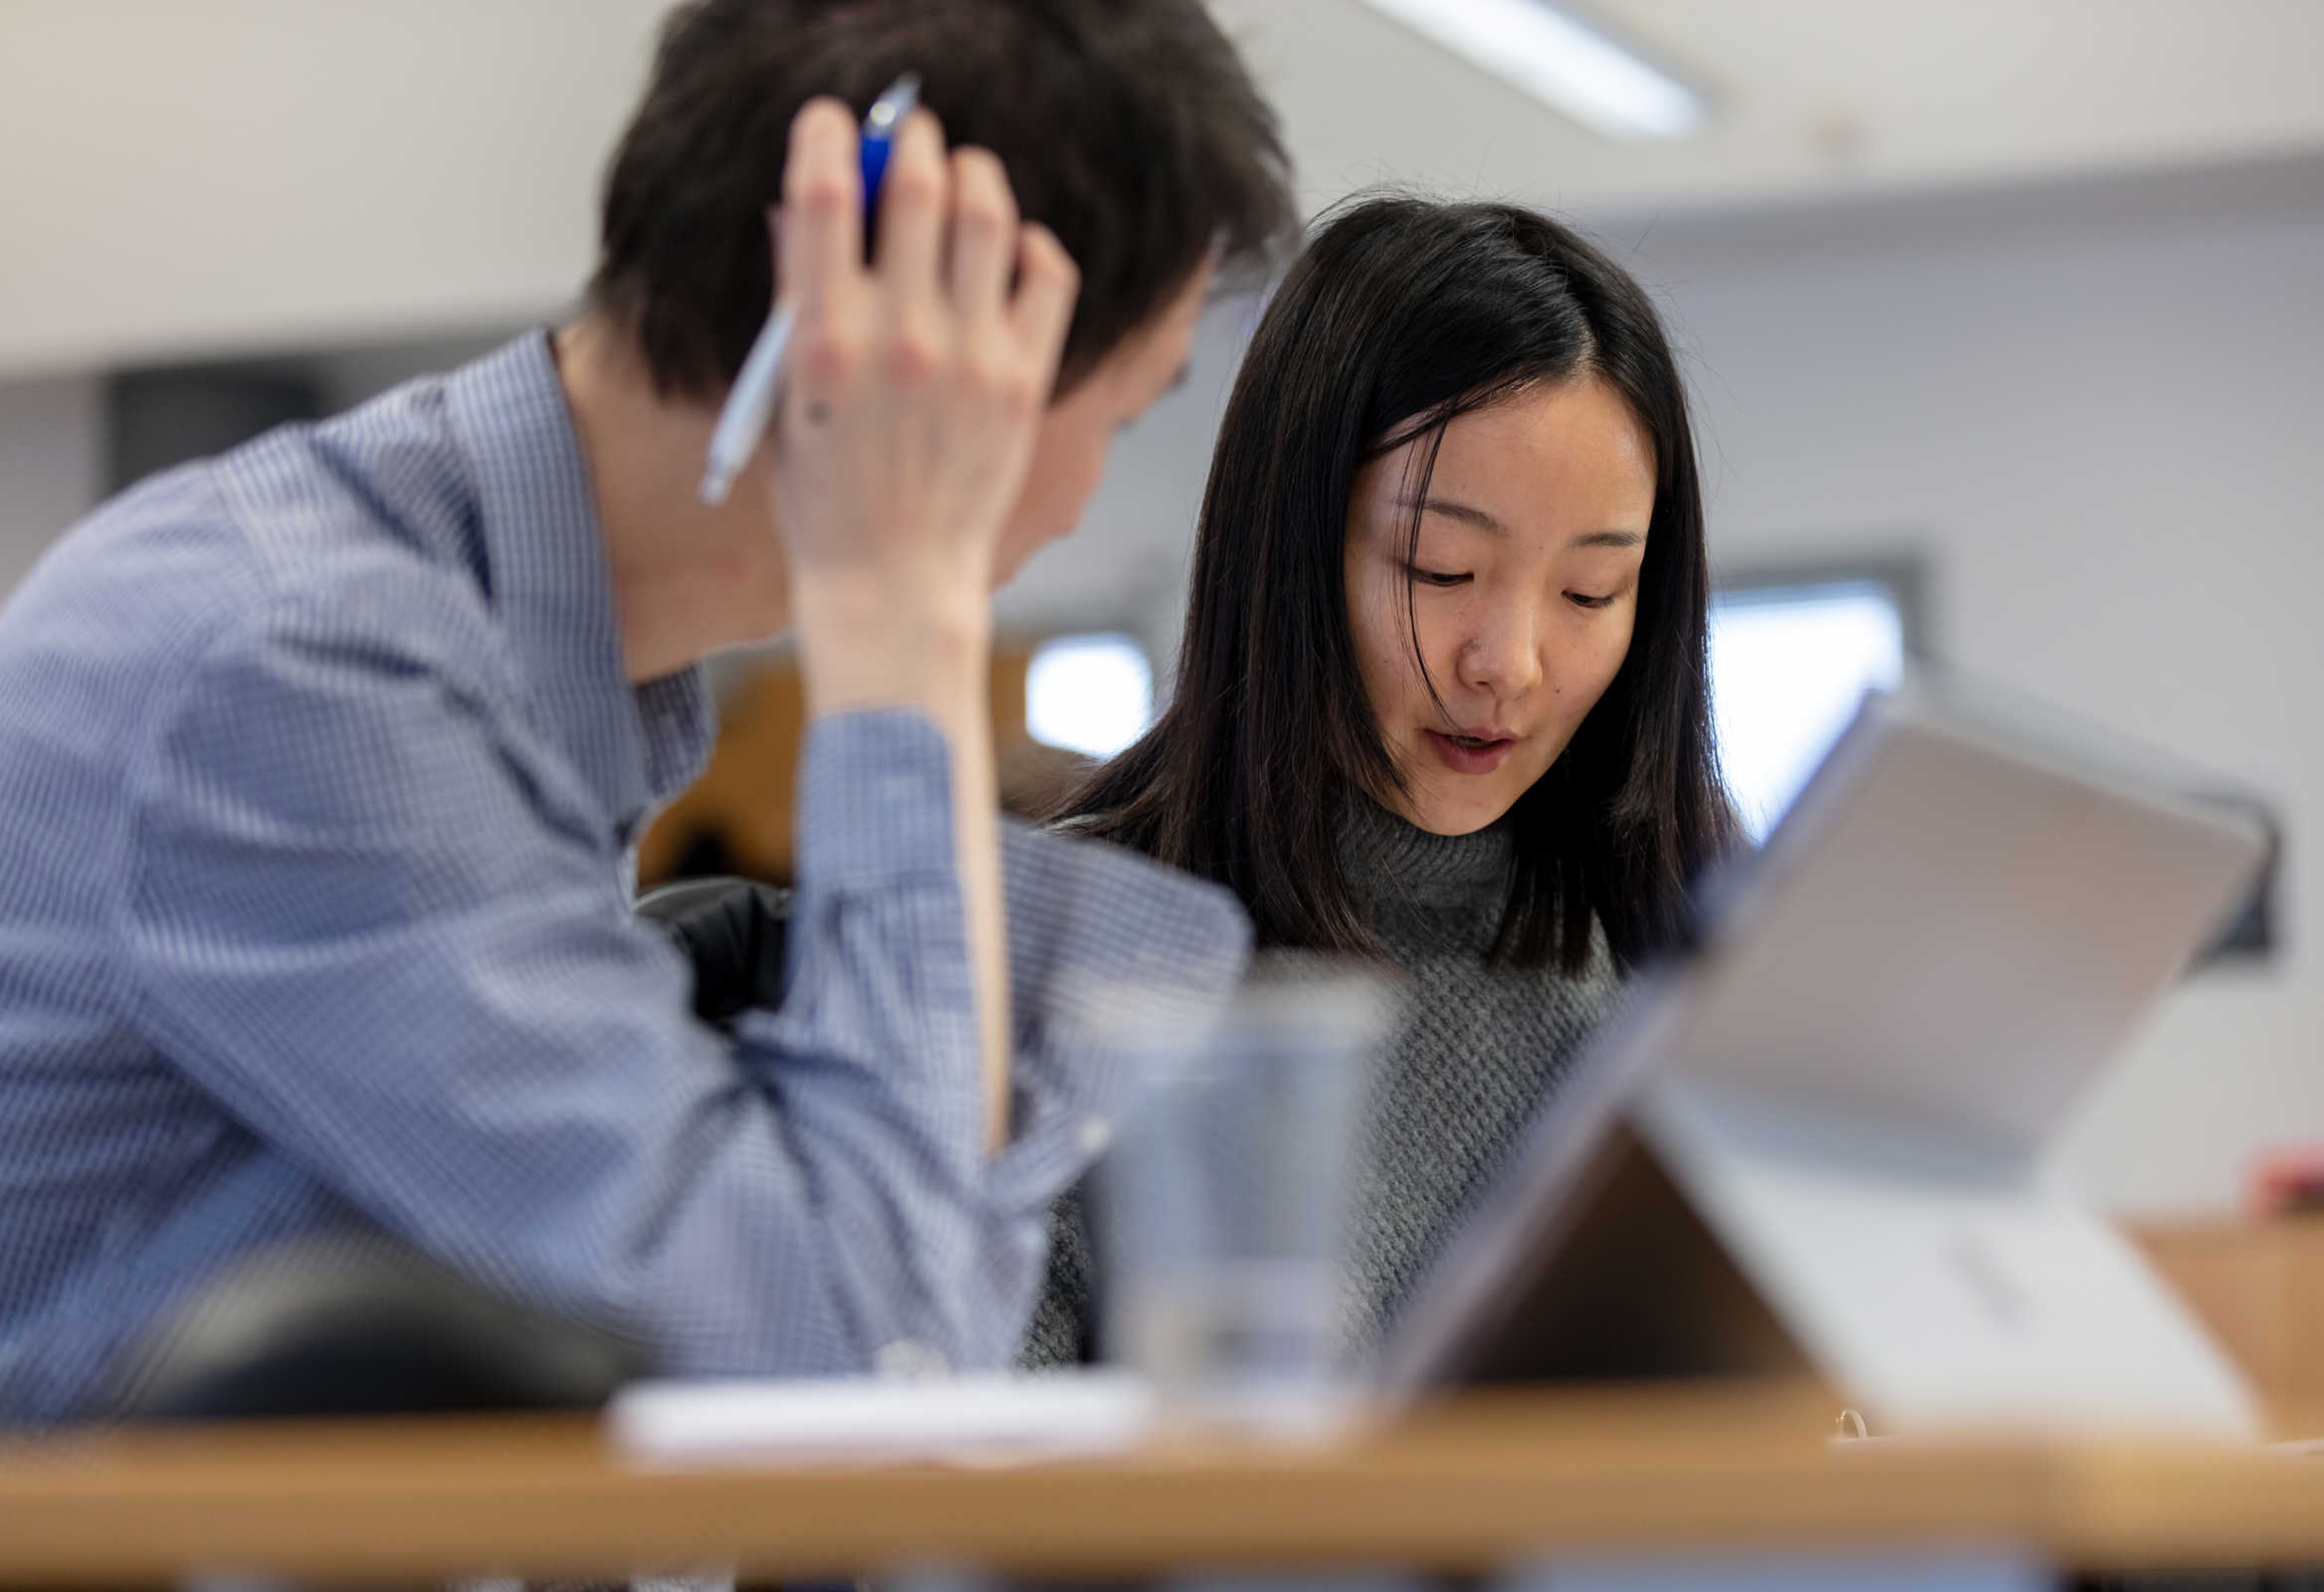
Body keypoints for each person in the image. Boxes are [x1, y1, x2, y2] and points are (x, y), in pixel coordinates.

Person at [0, 0, 1294, 1424]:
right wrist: (906, 615)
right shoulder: (294, 672)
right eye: (1112, 420)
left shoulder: (511, 663)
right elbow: (862, 1369)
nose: (1084, 494)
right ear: (899, 356)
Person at [1022, 197, 1743, 1364]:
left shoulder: (1682, 944)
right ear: (1291, 543)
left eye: (1590, 593)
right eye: (1441, 568)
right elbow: (972, 1492)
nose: (1507, 664)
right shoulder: (1072, 950)